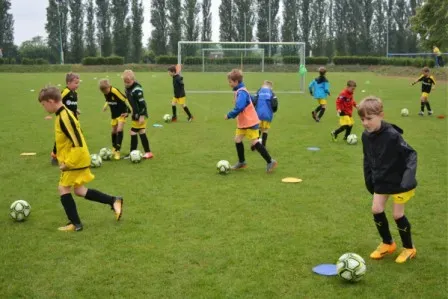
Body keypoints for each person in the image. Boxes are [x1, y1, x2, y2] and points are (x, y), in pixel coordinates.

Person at [38, 86, 123, 232]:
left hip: (75, 159)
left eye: (44, 104)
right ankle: (113, 200)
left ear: (51, 101)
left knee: (63, 188)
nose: (44, 108)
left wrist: (68, 164)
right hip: (77, 157)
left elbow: (77, 141)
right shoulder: (63, 113)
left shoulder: (64, 117)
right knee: (79, 190)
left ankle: (75, 223)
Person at [358, 96, 417, 263]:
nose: (365, 123)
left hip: (400, 180)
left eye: (369, 118)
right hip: (382, 178)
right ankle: (388, 243)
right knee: (376, 209)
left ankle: (409, 248)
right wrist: (369, 177)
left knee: (398, 214)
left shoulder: (392, 135)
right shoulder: (365, 136)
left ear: (381, 115)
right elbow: (367, 158)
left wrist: (408, 179)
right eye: (362, 119)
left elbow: (411, 154)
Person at [225, 69, 277, 173]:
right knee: (237, 139)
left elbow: (240, 107)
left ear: (236, 82)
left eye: (230, 82)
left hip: (249, 122)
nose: (229, 83)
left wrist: (229, 115)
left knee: (254, 142)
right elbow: (252, 100)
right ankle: (242, 162)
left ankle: (270, 161)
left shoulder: (242, 92)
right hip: (243, 122)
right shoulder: (241, 91)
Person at [50, 72, 81, 165]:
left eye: (78, 83)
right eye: (75, 83)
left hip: (73, 118)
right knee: (62, 138)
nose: (77, 85)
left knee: (74, 136)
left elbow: (72, 104)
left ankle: (72, 155)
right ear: (68, 83)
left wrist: (76, 110)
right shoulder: (65, 91)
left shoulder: (75, 93)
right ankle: (54, 155)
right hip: (65, 119)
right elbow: (58, 101)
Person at [122, 70, 153, 159]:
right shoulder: (127, 89)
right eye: (125, 82)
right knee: (141, 132)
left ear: (133, 79)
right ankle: (148, 152)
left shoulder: (137, 89)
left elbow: (142, 103)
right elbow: (130, 102)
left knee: (133, 132)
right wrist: (127, 112)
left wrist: (142, 116)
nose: (126, 84)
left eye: (128, 82)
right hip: (135, 114)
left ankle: (133, 152)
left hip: (140, 114)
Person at [99, 79, 132, 160]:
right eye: (103, 92)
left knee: (119, 130)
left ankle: (117, 151)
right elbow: (108, 99)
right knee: (113, 131)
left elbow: (125, 99)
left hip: (122, 113)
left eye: (106, 90)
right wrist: (105, 105)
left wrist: (129, 111)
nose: (105, 93)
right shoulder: (105, 93)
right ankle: (114, 147)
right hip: (114, 114)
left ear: (108, 87)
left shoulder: (114, 90)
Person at [250, 80, 278, 150]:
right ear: (270, 87)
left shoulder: (259, 91)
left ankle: (254, 145)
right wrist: (274, 110)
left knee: (258, 129)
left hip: (258, 114)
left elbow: (254, 100)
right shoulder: (272, 93)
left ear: (263, 85)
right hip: (267, 114)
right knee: (265, 130)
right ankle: (263, 146)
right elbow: (274, 104)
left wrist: (252, 109)